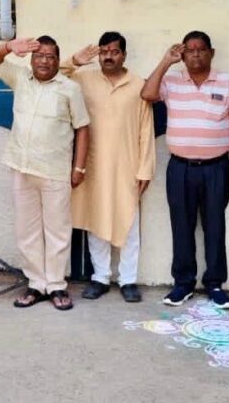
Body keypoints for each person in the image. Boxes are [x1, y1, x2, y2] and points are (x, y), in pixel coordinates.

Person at [140, 31, 229, 308]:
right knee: (181, 225)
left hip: (216, 168)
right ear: (183, 55)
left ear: (211, 53)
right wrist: (166, 61)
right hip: (180, 168)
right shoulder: (171, 81)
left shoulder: (227, 82)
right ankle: (183, 284)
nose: (196, 54)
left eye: (201, 49)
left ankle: (215, 284)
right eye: (189, 50)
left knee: (215, 226)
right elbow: (147, 93)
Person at [0, 36, 90, 311]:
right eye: (39, 56)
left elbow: (83, 128)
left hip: (55, 171)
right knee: (27, 231)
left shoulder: (70, 88)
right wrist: (9, 47)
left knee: (57, 230)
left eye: (50, 56)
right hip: (22, 167)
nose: (44, 61)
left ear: (58, 61)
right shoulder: (20, 78)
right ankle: (36, 283)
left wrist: (79, 167)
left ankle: (56, 285)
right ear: (32, 59)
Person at [64, 32, 155, 303]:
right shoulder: (84, 79)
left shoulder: (138, 85)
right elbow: (51, 74)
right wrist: (74, 61)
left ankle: (128, 280)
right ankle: (100, 277)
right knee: (96, 221)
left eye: (114, 51)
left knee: (129, 223)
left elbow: (146, 130)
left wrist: (145, 169)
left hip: (128, 166)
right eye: (103, 51)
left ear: (124, 55)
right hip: (92, 166)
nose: (108, 56)